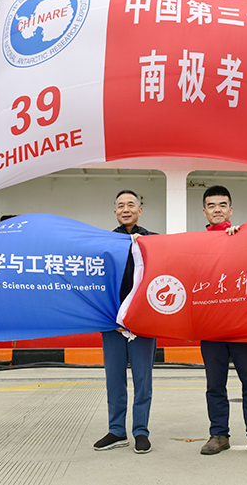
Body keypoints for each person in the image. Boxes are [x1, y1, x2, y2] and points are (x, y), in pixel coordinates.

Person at [198, 185, 247, 457]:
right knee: (215, 385)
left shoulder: (244, 238)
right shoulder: (196, 245)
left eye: (222, 205)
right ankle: (219, 434)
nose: (217, 210)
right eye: (211, 205)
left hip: (244, 326)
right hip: (212, 327)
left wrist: (243, 239)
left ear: (230, 209)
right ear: (204, 212)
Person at [93, 189, 157, 454]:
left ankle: (141, 431)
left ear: (140, 210)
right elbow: (97, 283)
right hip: (112, 322)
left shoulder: (154, 241)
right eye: (121, 205)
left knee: (143, 379)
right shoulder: (104, 243)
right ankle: (117, 430)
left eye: (131, 204)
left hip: (143, 323)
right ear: (115, 212)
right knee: (114, 378)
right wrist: (112, 317)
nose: (126, 209)